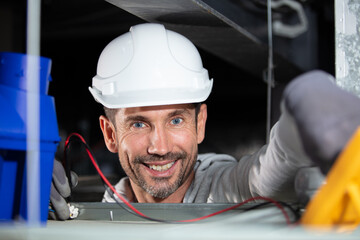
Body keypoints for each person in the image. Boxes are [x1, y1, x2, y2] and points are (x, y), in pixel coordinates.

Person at [50, 23, 360, 220]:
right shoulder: (103, 211)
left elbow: (271, 169)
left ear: (200, 124)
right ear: (109, 134)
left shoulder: (226, 189)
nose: (160, 147)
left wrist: (308, 97)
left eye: (175, 120)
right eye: (139, 124)